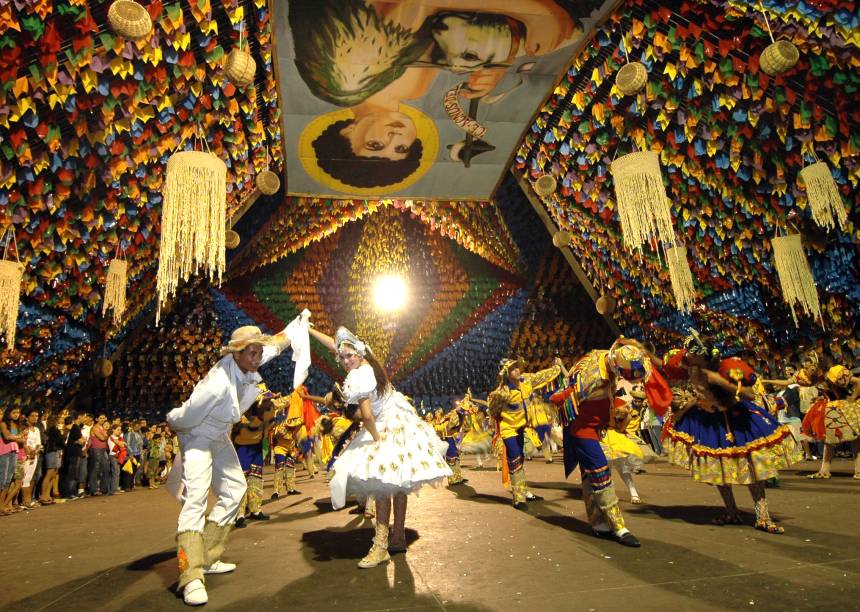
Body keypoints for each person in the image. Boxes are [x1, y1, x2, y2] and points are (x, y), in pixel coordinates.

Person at [166, 322, 300, 606]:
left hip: (220, 434)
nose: (257, 357)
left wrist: (299, 325)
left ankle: (207, 556)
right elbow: (186, 417)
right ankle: (190, 576)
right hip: (199, 434)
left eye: (258, 352)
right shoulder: (216, 385)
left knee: (235, 490)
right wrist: (174, 423)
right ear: (236, 354)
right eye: (252, 353)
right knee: (196, 500)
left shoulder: (250, 360)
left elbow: (276, 345)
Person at [308, 324, 451, 568]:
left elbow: (367, 417)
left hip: (385, 424)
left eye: (348, 356)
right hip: (400, 418)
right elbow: (336, 345)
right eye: (341, 357)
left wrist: (376, 440)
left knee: (383, 481)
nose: (344, 361)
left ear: (359, 354)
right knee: (398, 481)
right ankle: (397, 538)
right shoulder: (364, 359)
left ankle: (382, 546)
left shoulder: (360, 375)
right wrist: (310, 331)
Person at [661, 332, 802, 534]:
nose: (685, 356)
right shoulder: (692, 369)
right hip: (711, 423)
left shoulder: (725, 368)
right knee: (719, 470)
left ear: (702, 355)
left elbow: (749, 394)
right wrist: (681, 412)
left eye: (689, 353)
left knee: (751, 468)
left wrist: (720, 381)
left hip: (737, 421)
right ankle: (732, 511)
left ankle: (763, 516)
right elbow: (697, 395)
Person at [549, 343, 664, 547]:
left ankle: (598, 523)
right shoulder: (594, 379)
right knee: (601, 473)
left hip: (597, 428)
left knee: (589, 476)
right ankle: (618, 526)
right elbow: (566, 396)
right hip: (583, 429)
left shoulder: (603, 355)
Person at [488, 356, 562, 509]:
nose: (517, 370)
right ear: (506, 374)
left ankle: (524, 490)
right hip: (509, 429)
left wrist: (556, 367)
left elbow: (541, 376)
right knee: (514, 458)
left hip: (521, 427)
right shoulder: (502, 393)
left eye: (517, 367)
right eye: (512, 368)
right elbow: (493, 411)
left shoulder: (526, 381)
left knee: (520, 458)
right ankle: (519, 498)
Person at [801, 365, 860, 479]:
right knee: (828, 440)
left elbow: (858, 381)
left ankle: (858, 470)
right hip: (834, 408)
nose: (811, 371)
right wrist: (820, 398)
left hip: (849, 407)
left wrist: (853, 397)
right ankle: (825, 469)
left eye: (813, 369)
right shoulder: (814, 380)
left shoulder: (835, 372)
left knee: (856, 438)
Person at [0, 406, 26, 515]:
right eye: (14, 412)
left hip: (14, 452)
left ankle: (2, 505)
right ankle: (1, 505)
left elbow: (22, 439)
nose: (16, 414)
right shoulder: (3, 423)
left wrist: (16, 436)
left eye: (18, 413)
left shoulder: (16, 425)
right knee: (2, 479)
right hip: (4, 451)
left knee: (8, 480)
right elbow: (7, 436)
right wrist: (18, 436)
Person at [39, 414, 65, 504]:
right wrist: (63, 436)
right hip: (52, 451)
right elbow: (60, 441)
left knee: (53, 474)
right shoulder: (53, 430)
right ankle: (43, 496)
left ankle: (47, 495)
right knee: (49, 474)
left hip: (56, 451)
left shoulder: (52, 430)